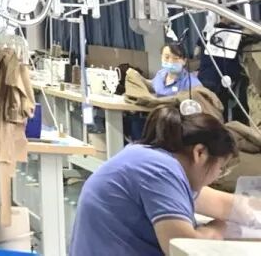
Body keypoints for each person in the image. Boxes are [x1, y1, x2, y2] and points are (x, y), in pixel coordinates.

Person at [71, 105, 241, 256]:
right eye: (220, 168)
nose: (217, 175)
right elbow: (185, 249)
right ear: (200, 153)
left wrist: (250, 210)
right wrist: (217, 229)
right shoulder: (160, 171)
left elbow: (222, 204)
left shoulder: (147, 157)